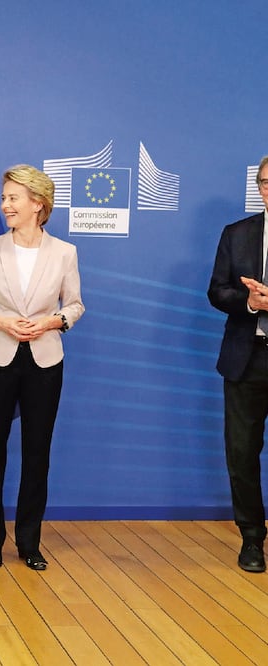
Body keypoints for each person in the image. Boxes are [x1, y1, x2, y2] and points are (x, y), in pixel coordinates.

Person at [0, 164, 84, 571]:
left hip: (45, 361)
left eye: (13, 198)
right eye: (5, 198)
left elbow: (75, 305)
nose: (5, 205)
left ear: (38, 204)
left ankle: (30, 542)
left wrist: (53, 321)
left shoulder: (65, 252)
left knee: (37, 453)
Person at [207, 155, 268, 573]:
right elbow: (216, 292)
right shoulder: (237, 234)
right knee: (242, 452)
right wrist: (248, 302)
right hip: (247, 360)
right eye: (265, 181)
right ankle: (251, 539)